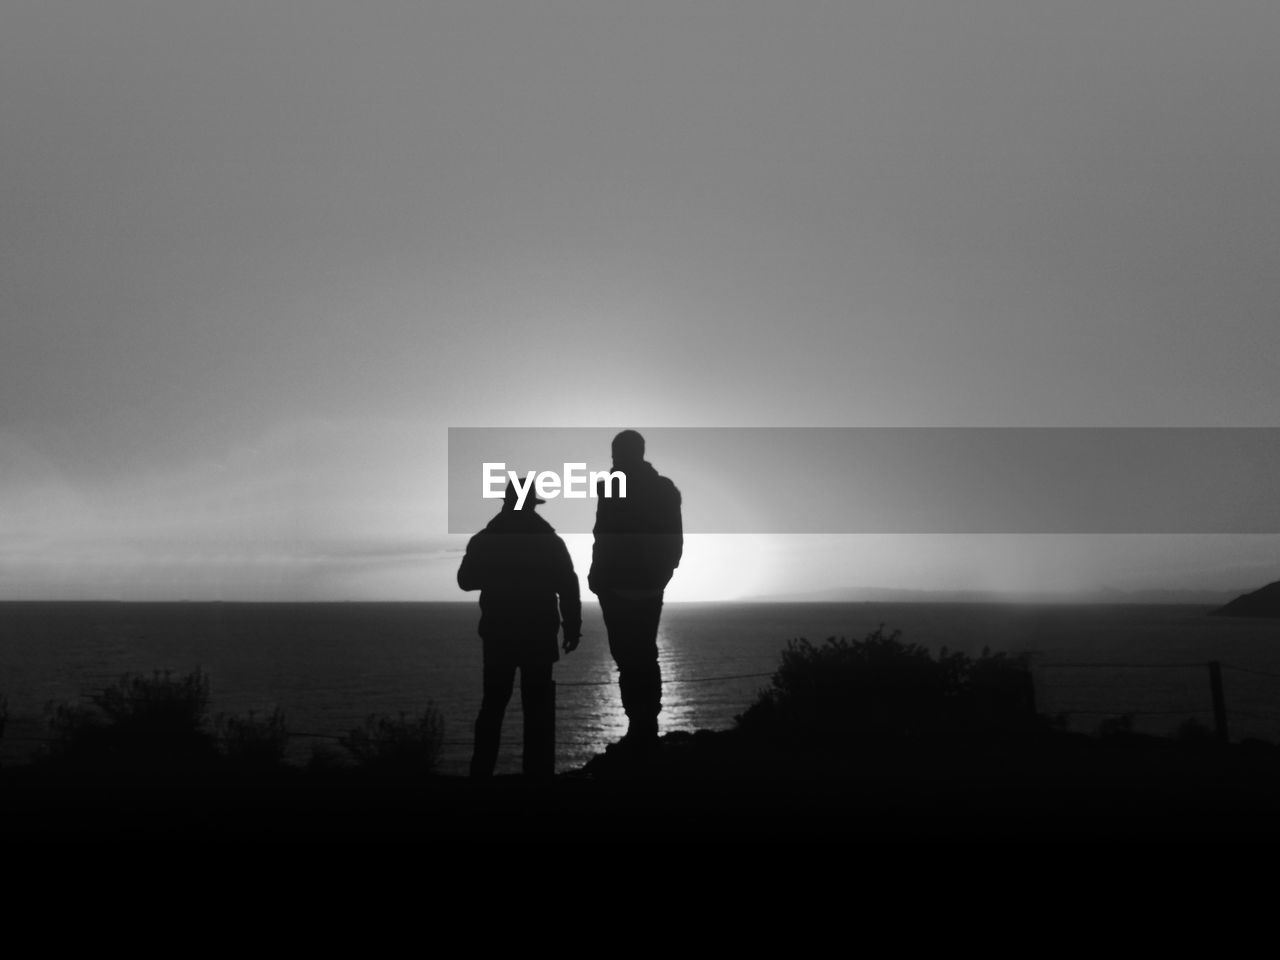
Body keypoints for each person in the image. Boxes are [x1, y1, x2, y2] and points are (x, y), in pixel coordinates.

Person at [458, 480, 582, 779]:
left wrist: (497, 575)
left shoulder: (485, 539)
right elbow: (568, 585)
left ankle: (481, 773)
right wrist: (572, 628)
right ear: (531, 504)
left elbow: (465, 580)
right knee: (536, 708)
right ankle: (536, 776)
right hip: (538, 634)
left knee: (493, 706)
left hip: (498, 633)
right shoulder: (550, 542)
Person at [588, 430, 682, 750]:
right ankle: (644, 725)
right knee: (642, 653)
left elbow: (603, 535)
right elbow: (674, 540)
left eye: (617, 454)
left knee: (629, 656)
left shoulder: (613, 488)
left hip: (619, 585)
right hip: (645, 584)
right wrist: (664, 573)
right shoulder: (665, 489)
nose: (614, 460)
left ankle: (640, 726)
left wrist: (598, 577)